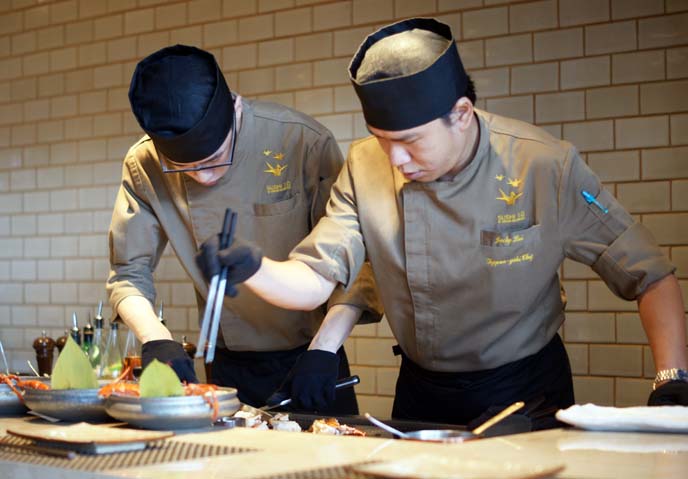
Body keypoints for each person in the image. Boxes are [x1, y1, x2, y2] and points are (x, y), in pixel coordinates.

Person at [195, 18, 688, 426]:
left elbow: (648, 274)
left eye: (410, 141)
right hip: (422, 392)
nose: (395, 158)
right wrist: (253, 267)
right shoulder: (366, 166)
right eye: (381, 139)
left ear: (462, 113)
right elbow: (316, 279)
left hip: (524, 393)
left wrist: (673, 381)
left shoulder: (543, 166)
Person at [106, 45, 382, 413]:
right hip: (224, 364)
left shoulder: (300, 141)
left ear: (235, 107)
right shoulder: (144, 164)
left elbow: (355, 261)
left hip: (311, 357)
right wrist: (155, 338)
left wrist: (324, 350)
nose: (202, 177)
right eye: (183, 168)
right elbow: (127, 271)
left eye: (215, 159)